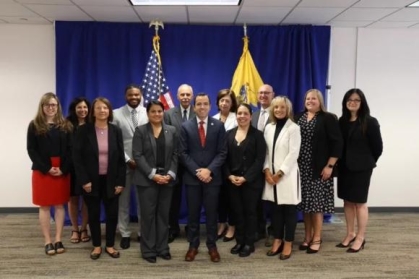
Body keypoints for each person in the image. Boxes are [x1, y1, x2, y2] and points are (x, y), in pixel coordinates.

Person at [73, 97, 126, 260]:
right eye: (98, 108)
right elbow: (77, 158)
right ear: (93, 111)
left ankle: (109, 245)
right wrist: (84, 180)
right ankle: (96, 246)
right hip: (91, 181)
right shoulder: (83, 131)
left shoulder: (115, 130)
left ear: (109, 111)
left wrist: (120, 182)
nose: (102, 110)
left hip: (111, 181)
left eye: (105, 108)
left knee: (111, 214)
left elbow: (120, 159)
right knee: (94, 215)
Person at [180, 93, 227, 263]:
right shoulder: (186, 126)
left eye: (205, 104)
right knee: (192, 215)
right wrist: (198, 172)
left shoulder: (219, 126)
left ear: (209, 106)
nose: (202, 107)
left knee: (212, 214)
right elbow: (183, 153)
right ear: (194, 107)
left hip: (212, 179)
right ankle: (193, 246)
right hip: (193, 179)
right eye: (198, 104)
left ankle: (212, 246)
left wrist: (209, 171)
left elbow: (222, 152)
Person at [295, 89, 343, 254]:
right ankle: (307, 237)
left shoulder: (328, 118)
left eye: (313, 98)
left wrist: (330, 166)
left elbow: (337, 143)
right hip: (301, 169)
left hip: (320, 169)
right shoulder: (298, 117)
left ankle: (317, 238)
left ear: (320, 100)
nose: (310, 101)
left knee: (316, 206)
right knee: (306, 206)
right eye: (307, 98)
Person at [336, 88, 383, 253]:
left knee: (360, 203)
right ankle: (350, 233)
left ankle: (361, 237)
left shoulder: (370, 122)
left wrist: (367, 162)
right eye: (349, 99)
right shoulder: (341, 121)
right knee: (347, 202)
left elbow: (378, 148)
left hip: (362, 168)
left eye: (356, 100)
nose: (353, 102)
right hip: (344, 167)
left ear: (362, 103)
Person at [132, 100, 178, 263]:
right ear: (148, 113)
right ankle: (148, 250)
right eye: (153, 111)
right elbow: (137, 155)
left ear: (163, 112)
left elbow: (175, 155)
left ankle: (163, 248)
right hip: (147, 181)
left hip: (167, 180)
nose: (157, 114)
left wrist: (171, 174)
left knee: (163, 216)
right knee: (148, 216)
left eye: (160, 111)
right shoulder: (141, 131)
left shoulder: (171, 130)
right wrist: (152, 174)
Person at [27, 92, 72, 255]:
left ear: (58, 106)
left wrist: (63, 168)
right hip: (42, 170)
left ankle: (58, 239)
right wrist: (46, 168)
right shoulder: (34, 125)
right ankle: (47, 241)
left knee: (60, 205)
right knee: (44, 206)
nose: (51, 108)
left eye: (54, 105)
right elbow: (31, 150)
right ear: (42, 107)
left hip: (62, 169)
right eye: (48, 105)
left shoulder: (65, 125)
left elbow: (70, 149)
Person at [262, 96, 301, 260]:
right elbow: (265, 152)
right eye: (276, 107)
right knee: (276, 211)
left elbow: (293, 154)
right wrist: (266, 171)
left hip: (287, 176)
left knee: (289, 212)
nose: (279, 110)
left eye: (282, 107)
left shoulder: (294, 128)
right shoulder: (269, 127)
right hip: (270, 177)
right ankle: (277, 240)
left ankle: (288, 243)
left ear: (288, 109)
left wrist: (279, 174)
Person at [225, 103, 266, 257]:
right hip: (232, 182)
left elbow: (259, 160)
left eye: (245, 113)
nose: (241, 116)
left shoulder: (258, 135)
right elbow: (224, 158)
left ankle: (249, 243)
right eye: (239, 113)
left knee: (250, 213)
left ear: (250, 116)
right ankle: (239, 241)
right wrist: (229, 175)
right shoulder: (228, 134)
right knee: (237, 213)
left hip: (251, 182)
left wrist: (246, 177)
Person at [113, 84, 147, 249]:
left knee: (143, 201)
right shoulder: (116, 114)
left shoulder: (148, 112)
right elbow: (115, 141)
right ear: (125, 96)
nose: (134, 97)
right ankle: (125, 233)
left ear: (140, 95)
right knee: (123, 202)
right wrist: (128, 159)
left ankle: (142, 232)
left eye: (136, 95)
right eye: (130, 95)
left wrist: (141, 161)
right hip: (123, 164)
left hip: (143, 165)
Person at [163, 84, 195, 243]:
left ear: (192, 96)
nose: (185, 97)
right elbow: (167, 138)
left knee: (192, 197)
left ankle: (191, 227)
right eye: (182, 94)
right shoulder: (168, 114)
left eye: (188, 94)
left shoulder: (198, 112)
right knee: (173, 198)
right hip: (174, 161)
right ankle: (172, 228)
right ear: (177, 96)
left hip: (192, 163)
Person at [212, 89, 238, 242]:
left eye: (228, 101)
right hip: (217, 166)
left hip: (233, 165)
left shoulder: (237, 118)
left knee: (232, 198)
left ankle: (232, 225)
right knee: (219, 198)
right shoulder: (213, 118)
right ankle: (221, 224)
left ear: (232, 103)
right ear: (218, 103)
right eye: (222, 100)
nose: (224, 103)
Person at [251, 84, 275, 246]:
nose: (263, 95)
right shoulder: (253, 115)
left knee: (274, 201)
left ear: (273, 95)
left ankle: (274, 231)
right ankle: (259, 230)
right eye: (260, 93)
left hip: (273, 165)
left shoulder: (278, 113)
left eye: (266, 93)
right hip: (255, 165)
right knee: (256, 200)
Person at [66, 97, 91, 244]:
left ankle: (84, 228)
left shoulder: (93, 124)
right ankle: (75, 229)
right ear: (74, 109)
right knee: (73, 199)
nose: (82, 110)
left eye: (85, 107)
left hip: (89, 168)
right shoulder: (67, 125)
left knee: (87, 200)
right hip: (72, 168)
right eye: (79, 108)